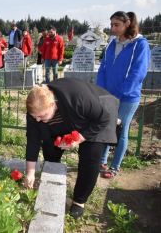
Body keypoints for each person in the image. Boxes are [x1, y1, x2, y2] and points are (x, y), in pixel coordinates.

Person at [25, 78, 120, 219]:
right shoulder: (36, 110)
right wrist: (30, 172)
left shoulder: (77, 97)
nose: (38, 120)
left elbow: (103, 118)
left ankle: (79, 201)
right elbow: (33, 141)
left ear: (52, 105)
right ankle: (54, 179)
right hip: (68, 118)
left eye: (41, 116)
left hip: (95, 116)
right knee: (50, 146)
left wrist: (80, 138)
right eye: (35, 117)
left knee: (91, 155)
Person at [97, 11, 151, 178]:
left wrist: (119, 94)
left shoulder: (140, 44)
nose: (113, 28)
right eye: (112, 24)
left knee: (121, 129)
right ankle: (102, 161)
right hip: (108, 94)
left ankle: (115, 166)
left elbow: (138, 74)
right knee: (106, 127)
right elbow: (103, 70)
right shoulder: (112, 44)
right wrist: (102, 91)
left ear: (127, 24)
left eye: (116, 25)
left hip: (128, 97)